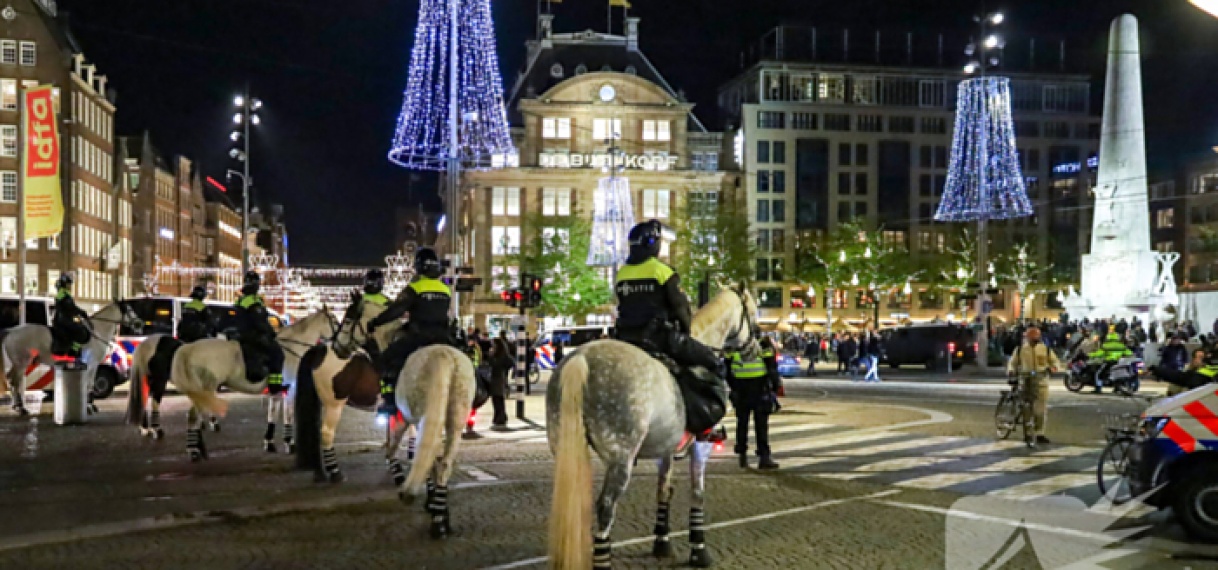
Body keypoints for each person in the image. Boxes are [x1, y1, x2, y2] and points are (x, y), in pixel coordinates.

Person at [613, 220, 725, 434]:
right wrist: (685, 333)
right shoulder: (663, 272)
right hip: (659, 339)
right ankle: (703, 423)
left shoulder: (622, 273)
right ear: (652, 244)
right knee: (713, 363)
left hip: (626, 339)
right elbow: (681, 310)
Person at [367, 248, 453, 416]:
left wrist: (376, 322)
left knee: (387, 360)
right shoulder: (445, 289)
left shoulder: (414, 288)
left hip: (419, 336)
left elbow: (396, 310)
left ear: (419, 267)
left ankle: (389, 399)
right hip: (444, 337)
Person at [726, 337, 781, 470]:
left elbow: (727, 370)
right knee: (761, 426)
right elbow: (771, 368)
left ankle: (742, 456)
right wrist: (775, 387)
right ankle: (764, 457)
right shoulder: (763, 345)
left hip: (741, 391)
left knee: (742, 424)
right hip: (760, 390)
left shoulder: (734, 346)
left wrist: (734, 387)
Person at [1007, 326, 1061, 445]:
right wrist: (1011, 371)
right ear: (1027, 337)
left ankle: (1039, 433)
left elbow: (1055, 362)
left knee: (1040, 410)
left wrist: (1054, 368)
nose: (1034, 339)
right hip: (1025, 381)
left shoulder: (1045, 349)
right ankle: (1027, 433)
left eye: (1036, 336)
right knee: (1026, 409)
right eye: (1031, 336)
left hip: (1041, 382)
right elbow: (1012, 363)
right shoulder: (1020, 349)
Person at [235, 270, 286, 392]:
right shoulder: (252, 301)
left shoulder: (242, 299)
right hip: (253, 335)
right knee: (278, 354)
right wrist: (271, 332)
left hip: (242, 334)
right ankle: (274, 386)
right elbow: (259, 322)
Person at [52, 273, 90, 358]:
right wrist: (81, 312)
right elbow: (70, 307)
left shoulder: (64, 293)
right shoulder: (63, 294)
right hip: (64, 319)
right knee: (80, 331)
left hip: (65, 317)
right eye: (69, 284)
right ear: (65, 284)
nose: (70, 286)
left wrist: (79, 315)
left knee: (80, 324)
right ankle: (73, 351)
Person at [1088, 328, 1133, 394]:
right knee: (1116, 375)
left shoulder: (1106, 345)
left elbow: (1099, 354)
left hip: (1109, 362)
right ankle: (1116, 388)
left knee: (1098, 374)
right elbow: (1129, 353)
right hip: (1118, 362)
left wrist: (1090, 355)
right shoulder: (1121, 346)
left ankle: (1098, 388)